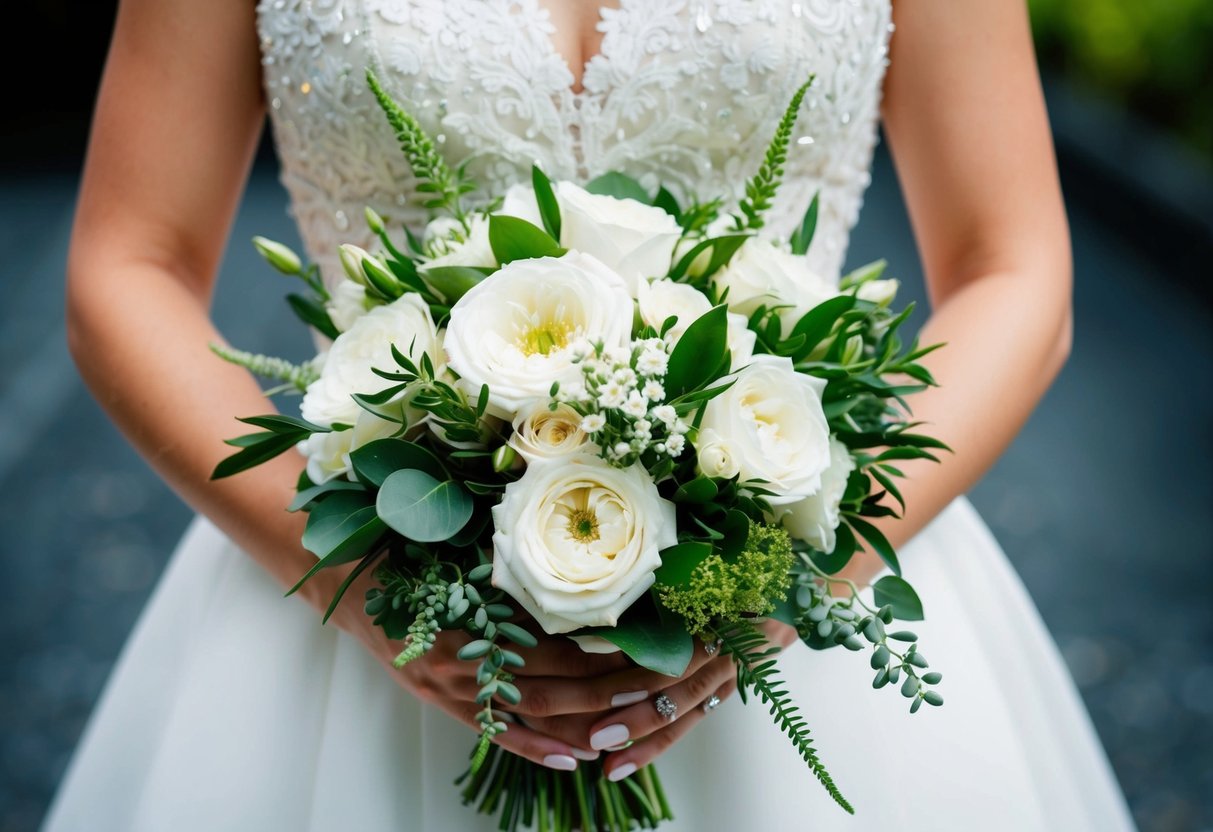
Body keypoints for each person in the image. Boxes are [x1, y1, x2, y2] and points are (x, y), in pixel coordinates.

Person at [43, 0, 1136, 829]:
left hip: (795, 594)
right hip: (364, 592)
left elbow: (1013, 267)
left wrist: (796, 578)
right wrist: (366, 587)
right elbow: (128, 261)